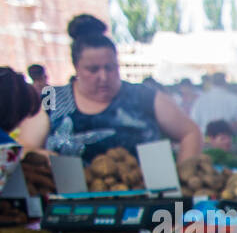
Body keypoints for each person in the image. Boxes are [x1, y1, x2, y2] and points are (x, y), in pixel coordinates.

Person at [16, 15, 200, 163]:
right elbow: (24, 147)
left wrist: (183, 178)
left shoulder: (145, 97)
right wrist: (44, 158)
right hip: (67, 204)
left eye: (110, 68)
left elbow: (190, 133)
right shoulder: (52, 99)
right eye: (93, 70)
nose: (103, 77)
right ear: (76, 67)